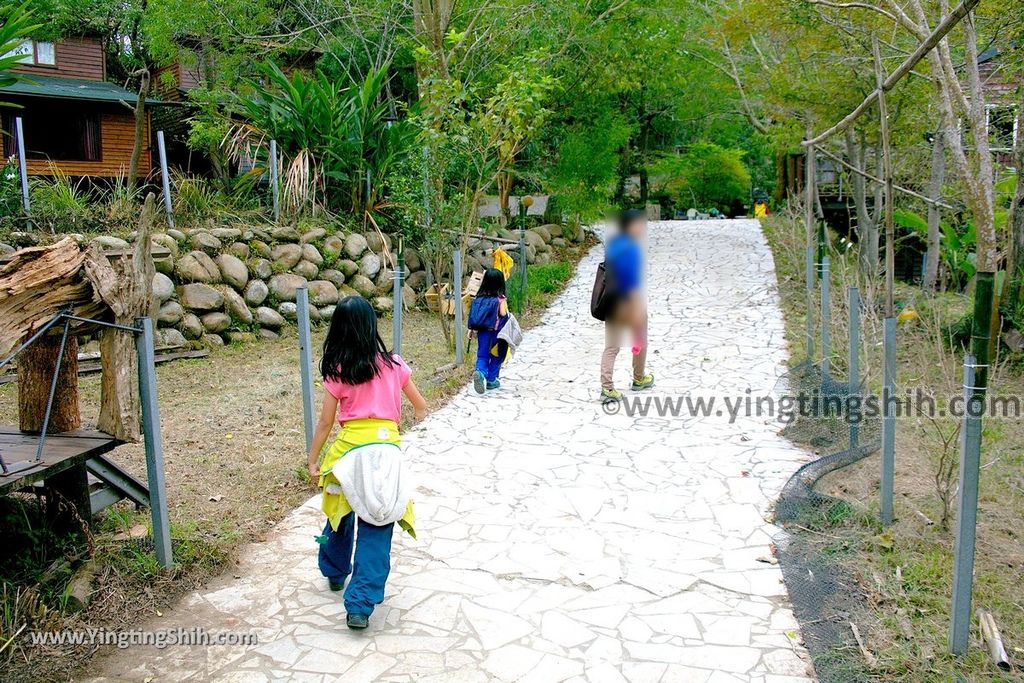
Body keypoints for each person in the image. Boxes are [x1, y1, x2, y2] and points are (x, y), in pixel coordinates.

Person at [306, 295, 428, 630]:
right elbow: (421, 406)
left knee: (339, 515)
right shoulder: (395, 366)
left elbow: (326, 422)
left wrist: (313, 458)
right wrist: (395, 428)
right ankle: (359, 604)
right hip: (386, 452)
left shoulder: (338, 371)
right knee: (378, 520)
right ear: (372, 326)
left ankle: (334, 572)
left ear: (339, 330)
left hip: (347, 454)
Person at [601, 209, 654, 402]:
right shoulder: (632, 248)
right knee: (639, 339)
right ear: (630, 225)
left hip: (611, 300)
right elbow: (631, 280)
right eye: (640, 224)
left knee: (611, 347)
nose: (642, 227)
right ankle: (639, 378)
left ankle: (607, 388)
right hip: (628, 301)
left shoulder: (614, 245)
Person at [468, 268, 510, 394]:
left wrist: (470, 330)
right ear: (500, 283)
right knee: (497, 354)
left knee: (482, 354)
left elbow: (474, 315)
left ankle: (480, 372)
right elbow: (503, 313)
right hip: (497, 334)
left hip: (482, 332)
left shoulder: (479, 298)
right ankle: (491, 380)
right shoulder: (500, 299)